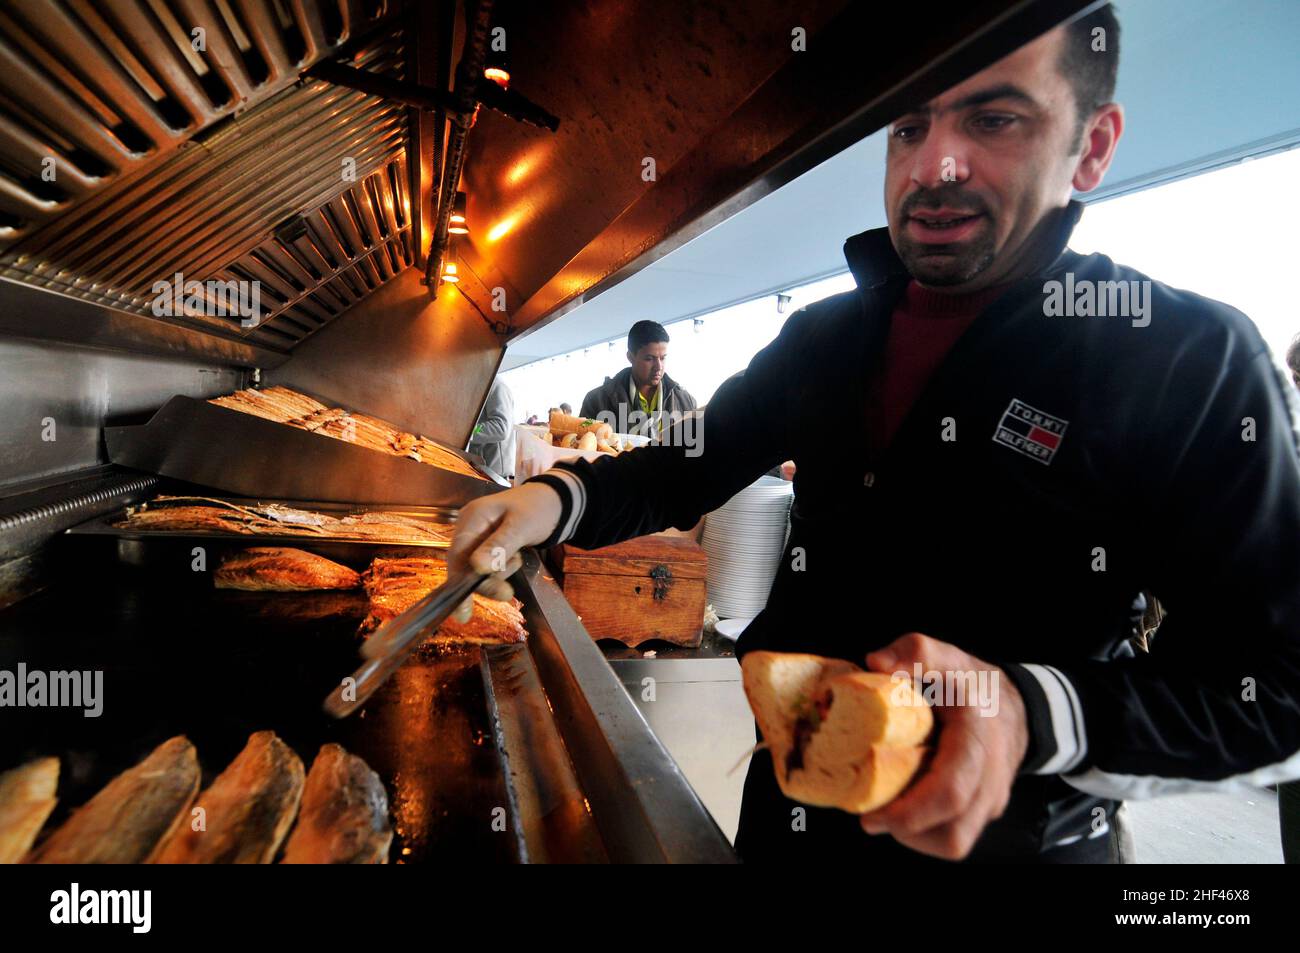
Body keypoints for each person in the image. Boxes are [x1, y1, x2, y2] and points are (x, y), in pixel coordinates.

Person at [446, 5, 1300, 864]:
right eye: (909, 126)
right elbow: (685, 466)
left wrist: (1030, 712)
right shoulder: (827, 337)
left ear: (1093, 145)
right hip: (793, 816)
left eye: (993, 118)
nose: (935, 165)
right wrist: (552, 498)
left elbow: (1275, 686)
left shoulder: (1185, 355)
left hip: (1010, 843)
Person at [579, 320, 697, 436]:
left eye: (663, 358)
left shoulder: (686, 401)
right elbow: (582, 447)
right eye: (649, 359)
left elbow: (695, 449)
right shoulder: (595, 400)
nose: (658, 367)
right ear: (630, 357)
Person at [467, 376, 515, 482]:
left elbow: (500, 428)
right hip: (480, 469)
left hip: (494, 473)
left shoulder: (497, 386)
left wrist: (467, 430)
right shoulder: (480, 385)